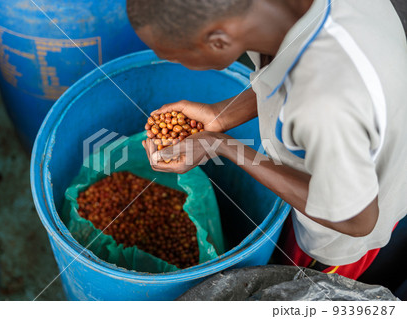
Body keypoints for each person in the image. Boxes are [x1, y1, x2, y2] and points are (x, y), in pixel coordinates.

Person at [126, 0, 407, 280]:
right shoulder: (274, 18)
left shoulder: (323, 104)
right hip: (358, 139)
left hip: (344, 226)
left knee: (300, 279)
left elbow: (356, 219)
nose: (176, 63)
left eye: (176, 56)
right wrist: (220, 115)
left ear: (219, 41)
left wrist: (224, 145)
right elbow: (284, 71)